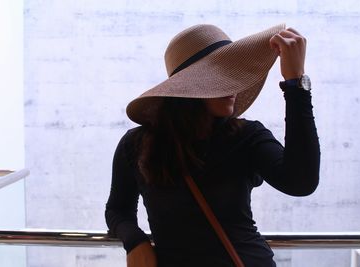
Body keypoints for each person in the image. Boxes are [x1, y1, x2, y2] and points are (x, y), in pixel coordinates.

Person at [105, 23, 320, 267]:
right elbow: (117, 210)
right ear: (190, 86)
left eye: (234, 73)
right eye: (221, 75)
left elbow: (302, 182)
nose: (234, 85)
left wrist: (296, 86)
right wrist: (135, 242)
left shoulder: (246, 136)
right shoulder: (137, 145)